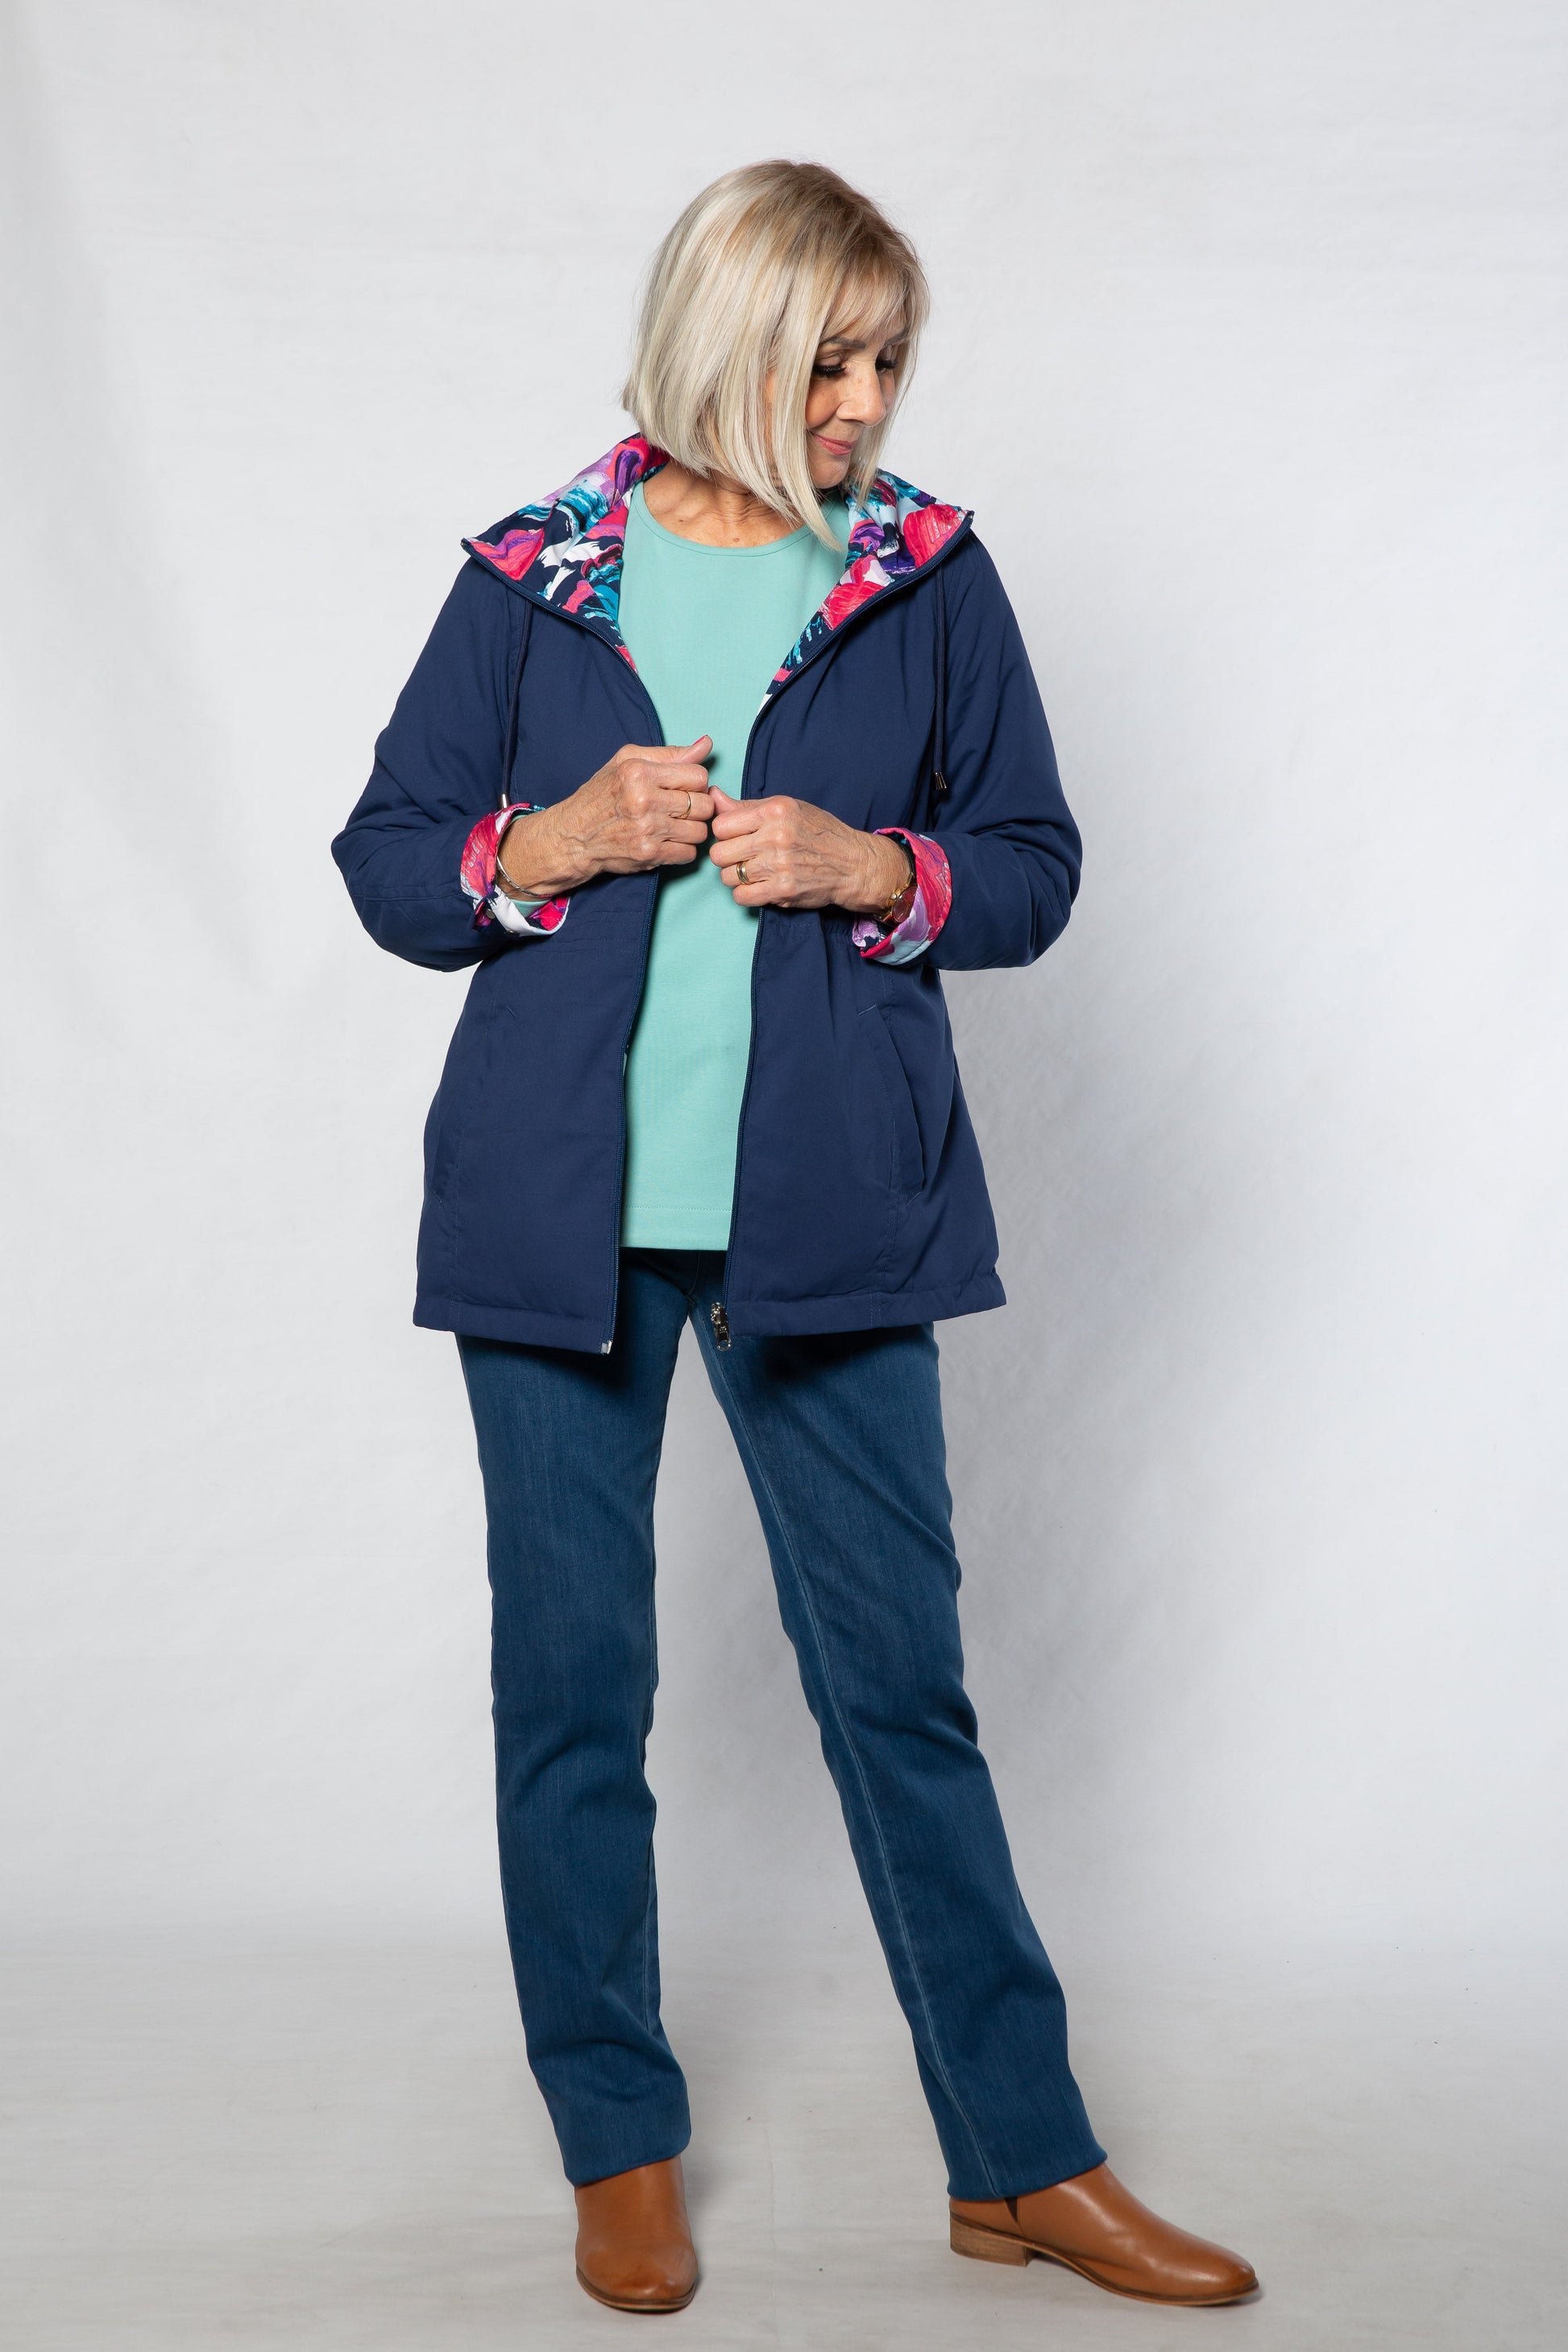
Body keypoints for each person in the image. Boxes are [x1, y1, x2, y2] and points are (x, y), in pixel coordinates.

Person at [332, 159, 1257, 2317]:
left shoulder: (925, 579)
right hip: (556, 1227)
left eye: (887, 360)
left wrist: (877, 868)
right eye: (825, 360)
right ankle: (617, 2145)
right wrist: (553, 837)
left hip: (831, 1222)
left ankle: (1022, 2161)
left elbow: (1030, 865)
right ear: (722, 343)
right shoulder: (536, 577)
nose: (862, 404)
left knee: (899, 1695)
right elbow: (390, 864)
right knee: (574, 1696)